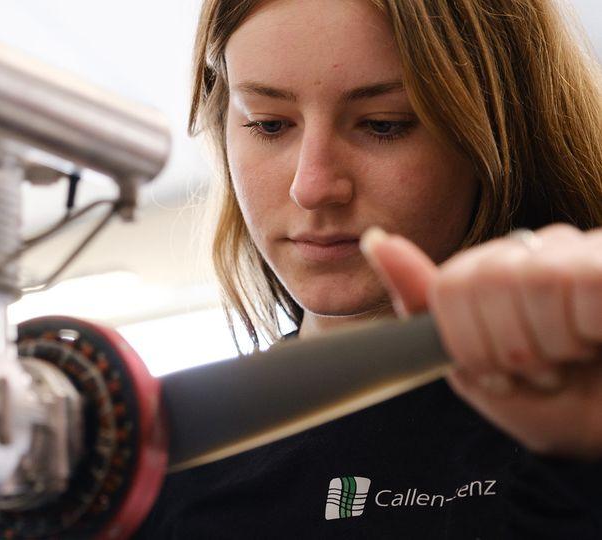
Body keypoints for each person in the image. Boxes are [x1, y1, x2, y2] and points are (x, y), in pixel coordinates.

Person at [136, 0, 602, 537]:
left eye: (383, 125)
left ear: (500, 127)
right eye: (268, 124)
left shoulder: (578, 407)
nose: (311, 187)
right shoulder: (168, 464)